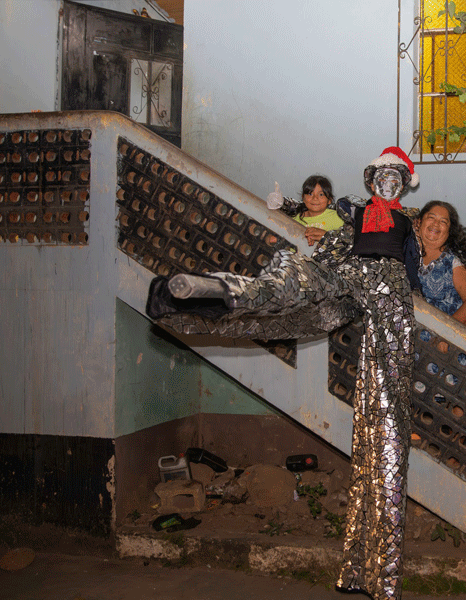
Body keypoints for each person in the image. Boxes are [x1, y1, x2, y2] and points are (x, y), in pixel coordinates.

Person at [146, 146, 422, 600]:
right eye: (382, 176)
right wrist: (316, 241)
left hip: (390, 297)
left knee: (386, 427)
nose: (389, 183)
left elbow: (418, 265)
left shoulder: (409, 220)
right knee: (296, 280)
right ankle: (228, 293)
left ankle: (376, 575)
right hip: (351, 277)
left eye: (397, 177)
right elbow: (325, 246)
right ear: (372, 180)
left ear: (405, 183)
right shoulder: (355, 214)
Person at [416, 201, 466, 329]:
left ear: (449, 230)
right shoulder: (405, 253)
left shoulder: (456, 259)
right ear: (419, 222)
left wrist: (444, 333)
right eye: (431, 217)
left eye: (443, 221)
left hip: (451, 335)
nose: (436, 224)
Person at [292, 175, 345, 246]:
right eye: (310, 194)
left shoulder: (338, 218)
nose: (315, 198)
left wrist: (327, 237)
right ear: (303, 197)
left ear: (329, 200)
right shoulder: (295, 221)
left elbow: (346, 243)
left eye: (321, 194)